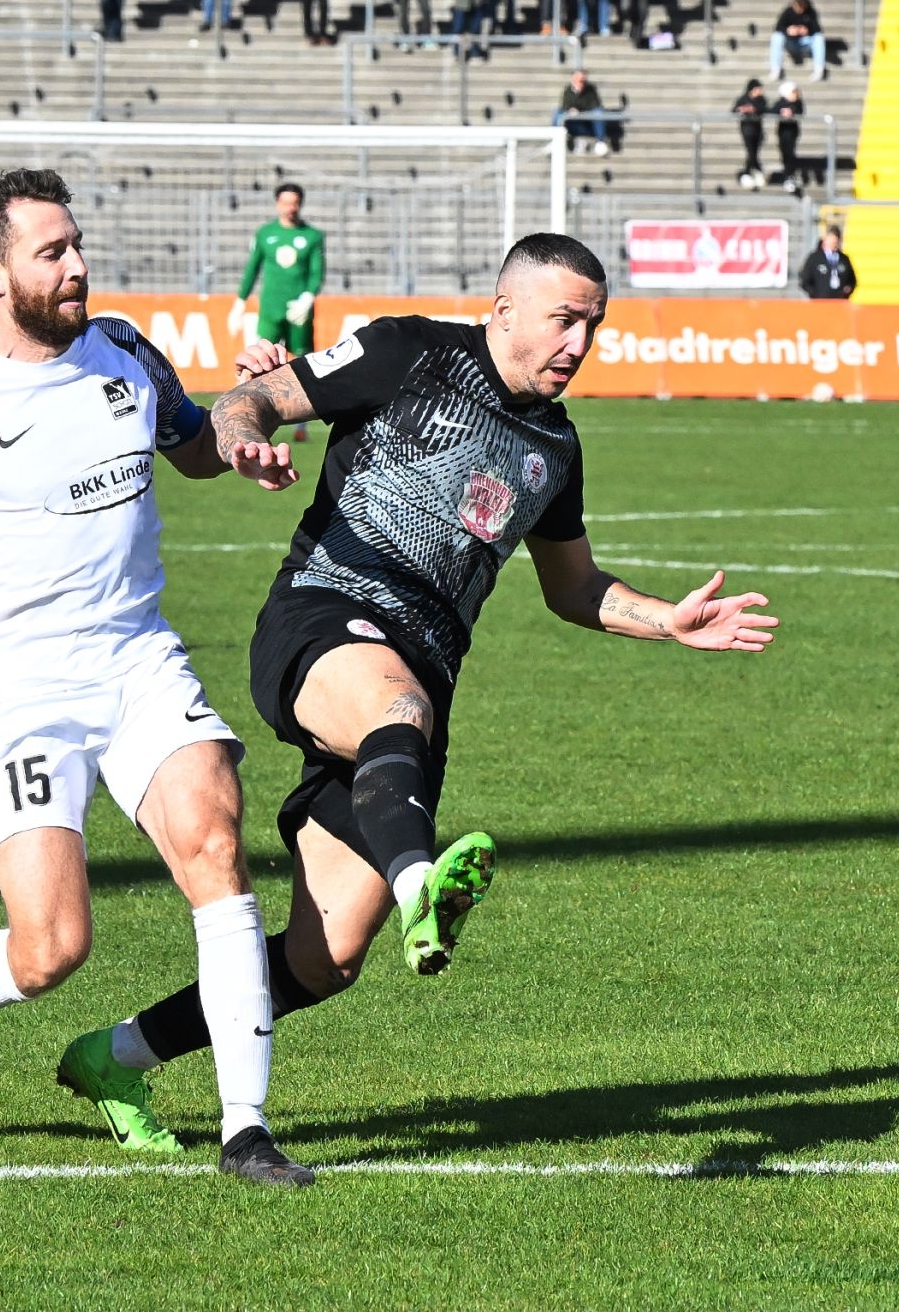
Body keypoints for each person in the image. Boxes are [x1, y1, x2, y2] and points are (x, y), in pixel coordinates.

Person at [52, 234, 780, 1149]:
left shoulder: (554, 444)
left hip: (418, 682)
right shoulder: (409, 350)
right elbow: (254, 399)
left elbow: (573, 587)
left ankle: (115, 1057)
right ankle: (422, 881)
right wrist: (241, 442)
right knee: (397, 708)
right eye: (563, 320)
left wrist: (663, 618)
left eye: (593, 325)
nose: (578, 343)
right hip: (323, 617)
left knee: (328, 956)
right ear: (505, 309)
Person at [0, 168, 315, 1187]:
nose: (77, 264)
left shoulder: (122, 345)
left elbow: (191, 443)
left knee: (215, 841)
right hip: (26, 690)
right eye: (53, 251)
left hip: (137, 657)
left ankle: (246, 1128)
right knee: (50, 947)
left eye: (77, 244)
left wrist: (241, 442)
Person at [232, 183, 324, 443]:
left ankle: (303, 424)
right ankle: (253, 419)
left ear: (300, 204)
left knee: (303, 362)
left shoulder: (313, 236)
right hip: (270, 308)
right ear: (277, 204)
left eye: (294, 202)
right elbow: (253, 268)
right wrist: (240, 301)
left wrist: (307, 297)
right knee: (261, 361)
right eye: (285, 202)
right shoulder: (265, 234)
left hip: (299, 311)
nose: (290, 208)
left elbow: (317, 272)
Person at [556, 69, 612, 156]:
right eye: (578, 80)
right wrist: (571, 110)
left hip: (588, 124)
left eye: (583, 80)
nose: (581, 83)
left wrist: (580, 111)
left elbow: (595, 104)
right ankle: (555, 139)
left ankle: (600, 142)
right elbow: (565, 106)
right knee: (558, 113)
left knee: (598, 112)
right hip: (573, 124)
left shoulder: (591, 89)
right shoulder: (568, 90)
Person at [769, 0, 825, 81]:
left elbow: (817, 29)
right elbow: (778, 27)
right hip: (790, 42)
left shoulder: (811, 12)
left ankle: (819, 70)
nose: (800, 8)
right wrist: (788, 31)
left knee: (819, 38)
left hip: (805, 44)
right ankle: (775, 69)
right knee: (776, 37)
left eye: (802, 5)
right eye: (798, 4)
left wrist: (807, 31)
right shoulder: (788, 12)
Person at [799, 226, 855, 299]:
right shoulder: (815, 258)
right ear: (825, 240)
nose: (834, 244)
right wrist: (815, 294)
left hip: (839, 302)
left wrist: (847, 290)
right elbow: (805, 280)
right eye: (832, 241)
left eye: (836, 241)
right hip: (820, 303)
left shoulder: (844, 259)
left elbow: (852, 280)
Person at [734, 77, 769, 189]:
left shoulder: (761, 100)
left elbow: (765, 109)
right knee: (751, 152)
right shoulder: (743, 99)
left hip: (758, 129)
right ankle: (753, 171)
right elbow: (734, 109)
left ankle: (750, 172)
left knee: (754, 152)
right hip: (747, 129)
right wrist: (742, 109)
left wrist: (754, 109)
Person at [774, 80, 808, 193]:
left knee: (790, 153)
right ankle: (787, 174)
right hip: (783, 131)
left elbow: (800, 110)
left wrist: (791, 111)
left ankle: (789, 175)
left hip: (792, 131)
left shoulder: (797, 103)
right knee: (785, 153)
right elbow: (772, 110)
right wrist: (782, 111)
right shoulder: (781, 102)